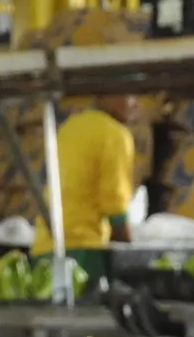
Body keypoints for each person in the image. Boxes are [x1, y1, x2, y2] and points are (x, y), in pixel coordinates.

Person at [29, 94, 148, 282]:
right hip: (84, 252)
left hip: (45, 246)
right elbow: (114, 203)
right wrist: (131, 254)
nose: (135, 104)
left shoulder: (70, 127)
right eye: (128, 95)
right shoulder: (114, 133)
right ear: (104, 96)